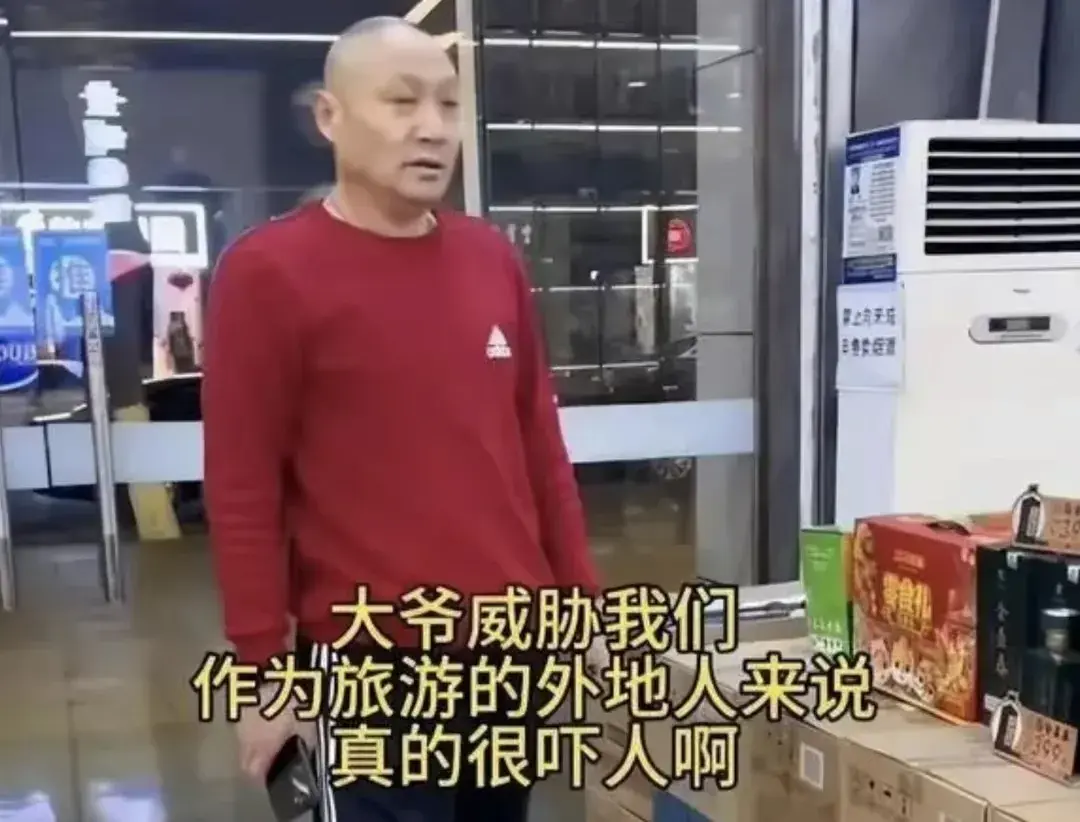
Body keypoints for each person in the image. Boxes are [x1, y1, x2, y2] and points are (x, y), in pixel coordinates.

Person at [202, 17, 602, 822]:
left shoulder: (491, 259)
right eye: (401, 101)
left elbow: (539, 450)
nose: (432, 128)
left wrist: (580, 607)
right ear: (330, 117)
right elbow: (244, 490)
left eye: (448, 105)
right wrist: (264, 669)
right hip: (371, 667)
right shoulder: (267, 273)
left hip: (509, 655)